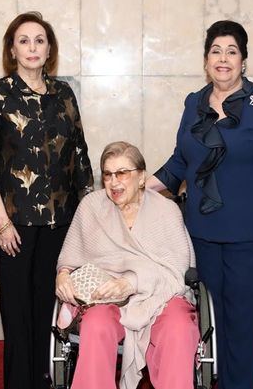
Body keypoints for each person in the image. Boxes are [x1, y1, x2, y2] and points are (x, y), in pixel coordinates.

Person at [147, 20, 253, 389]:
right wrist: (135, 187)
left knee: (244, 318)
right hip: (202, 231)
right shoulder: (193, 103)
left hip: (252, 231)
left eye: (232, 51)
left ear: (244, 60)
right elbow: (181, 161)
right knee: (211, 318)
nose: (223, 59)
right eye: (216, 51)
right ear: (206, 59)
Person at [0, 11, 94, 389]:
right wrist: (1, 221)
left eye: (39, 40)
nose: (32, 47)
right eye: (24, 40)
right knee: (17, 308)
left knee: (50, 306)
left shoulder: (64, 94)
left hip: (60, 223)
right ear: (12, 49)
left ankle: (46, 380)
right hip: (14, 224)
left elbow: (80, 157)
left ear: (49, 49)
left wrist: (89, 219)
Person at [55, 141, 199, 389]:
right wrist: (62, 276)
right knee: (96, 324)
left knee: (179, 327)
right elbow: (68, 259)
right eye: (108, 174)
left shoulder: (167, 210)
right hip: (106, 296)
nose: (114, 181)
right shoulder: (91, 207)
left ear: (142, 177)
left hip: (159, 295)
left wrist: (132, 282)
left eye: (122, 173)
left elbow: (176, 273)